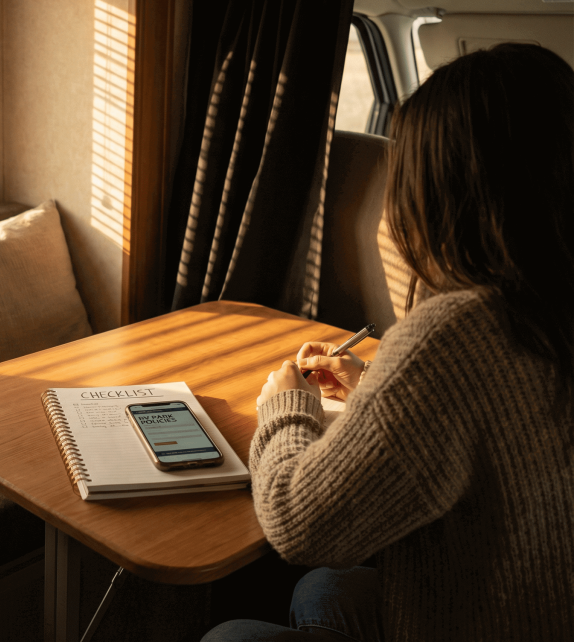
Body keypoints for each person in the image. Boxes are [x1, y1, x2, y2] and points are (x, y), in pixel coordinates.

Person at [202, 43, 574, 642]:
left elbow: (299, 525)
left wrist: (284, 408)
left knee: (228, 636)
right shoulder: (548, 303)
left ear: (448, 192)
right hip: (532, 606)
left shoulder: (452, 334)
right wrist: (375, 387)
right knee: (325, 588)